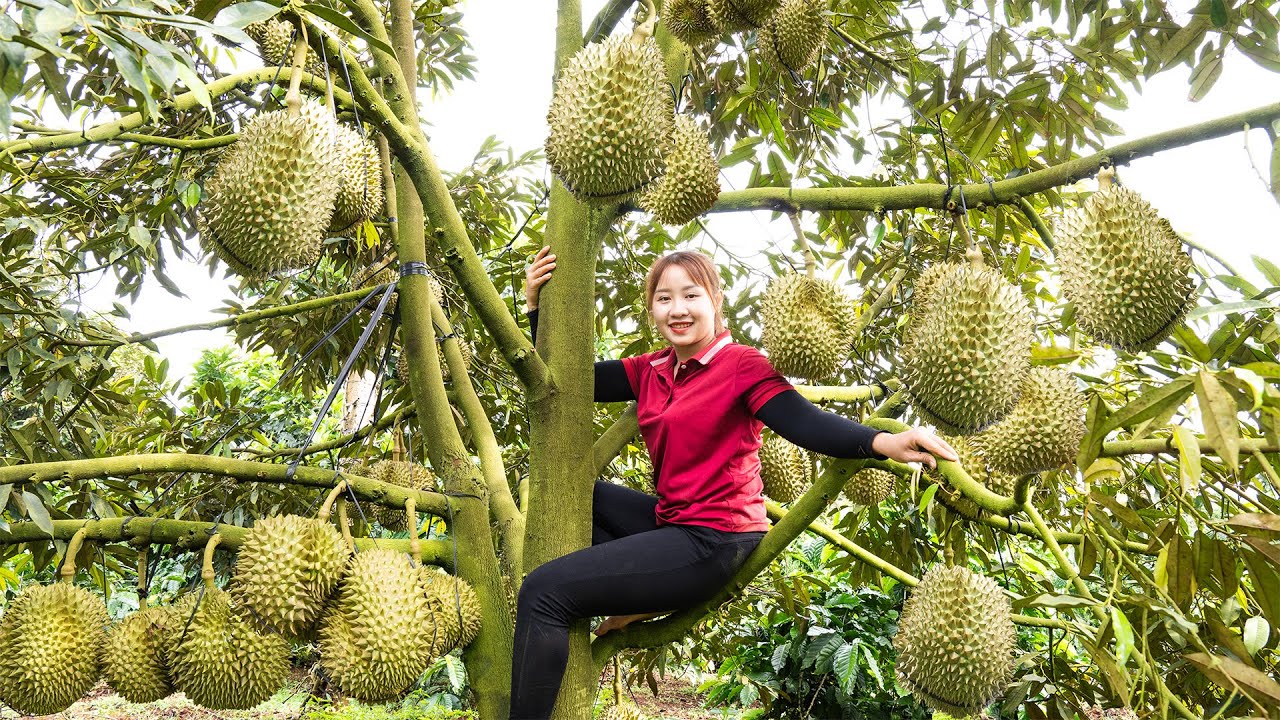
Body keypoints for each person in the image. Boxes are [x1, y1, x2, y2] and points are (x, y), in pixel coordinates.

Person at [509, 247, 957, 719]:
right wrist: (536, 307)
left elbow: (803, 421)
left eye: (690, 295)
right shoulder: (652, 370)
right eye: (664, 298)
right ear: (652, 309)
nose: (677, 309)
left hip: (715, 539)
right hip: (671, 523)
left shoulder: (741, 365)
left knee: (543, 593)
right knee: (578, 496)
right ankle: (633, 594)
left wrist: (885, 440)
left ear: (715, 299)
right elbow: (570, 382)